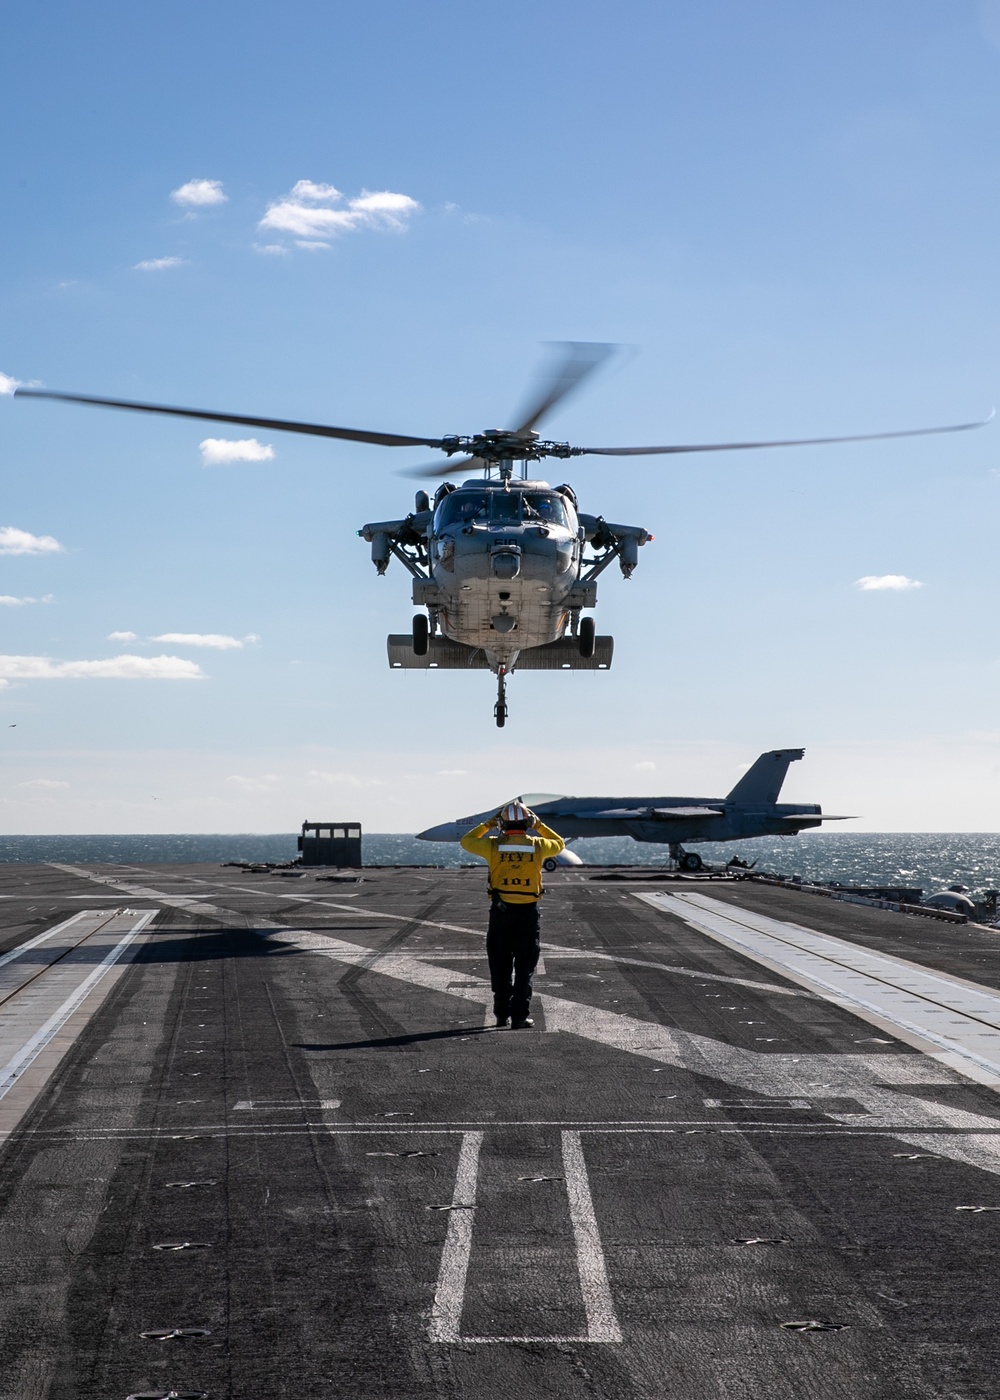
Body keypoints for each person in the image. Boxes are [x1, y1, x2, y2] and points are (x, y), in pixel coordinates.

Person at [460, 800, 565, 1028]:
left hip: (500, 913)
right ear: (527, 822)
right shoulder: (538, 845)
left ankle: (501, 1014)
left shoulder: (492, 846)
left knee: (500, 964)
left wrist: (488, 824)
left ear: (502, 823)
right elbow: (559, 843)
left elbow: (466, 841)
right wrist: (539, 826)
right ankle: (519, 1016)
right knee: (525, 967)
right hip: (527, 914)